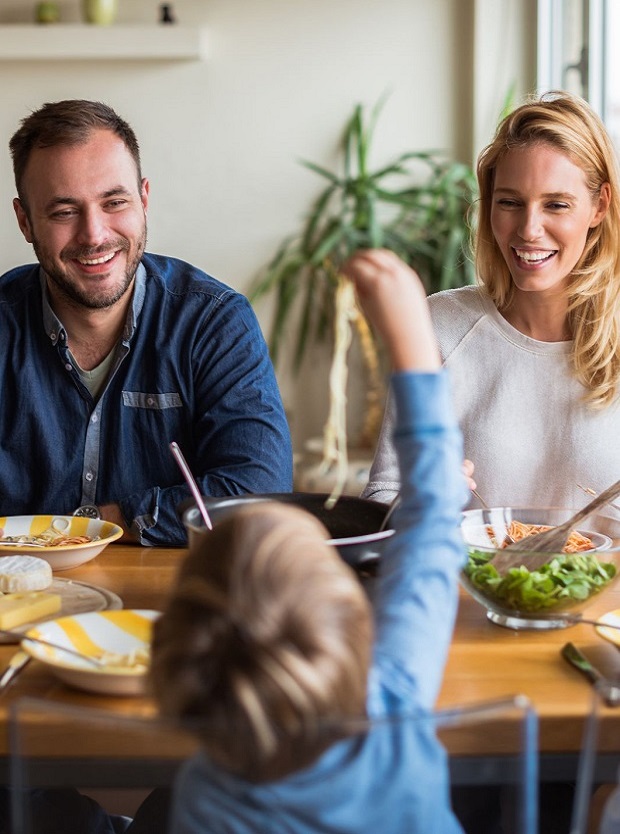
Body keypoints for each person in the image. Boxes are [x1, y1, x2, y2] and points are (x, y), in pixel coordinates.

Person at [149, 248, 467, 833]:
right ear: (356, 625)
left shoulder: (201, 798)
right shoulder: (393, 709)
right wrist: (412, 340)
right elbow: (436, 515)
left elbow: (431, 517)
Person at [0, 99, 292, 545]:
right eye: (63, 212)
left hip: (170, 601)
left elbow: (258, 494)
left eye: (114, 202)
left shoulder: (213, 323)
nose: (94, 234)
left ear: (144, 199)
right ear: (25, 221)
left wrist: (98, 524)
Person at [362, 91, 620, 510]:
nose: (529, 229)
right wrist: (421, 500)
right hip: (469, 576)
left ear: (599, 206)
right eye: (510, 203)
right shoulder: (441, 324)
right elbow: (382, 495)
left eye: (556, 204)